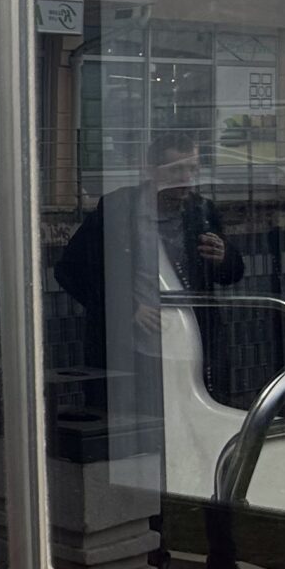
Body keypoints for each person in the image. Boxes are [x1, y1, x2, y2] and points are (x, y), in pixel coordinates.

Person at [55, 129, 244, 435]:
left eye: (192, 168)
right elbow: (70, 270)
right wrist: (126, 307)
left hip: (191, 341)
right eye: (176, 170)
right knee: (138, 428)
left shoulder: (201, 210)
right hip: (133, 346)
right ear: (151, 171)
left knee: (192, 426)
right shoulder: (118, 208)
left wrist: (224, 257)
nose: (186, 178)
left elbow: (230, 275)